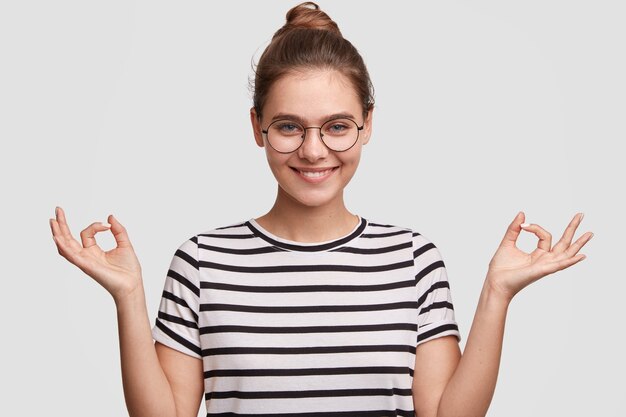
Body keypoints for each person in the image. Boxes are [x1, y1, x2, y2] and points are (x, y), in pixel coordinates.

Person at [49, 2, 593, 416]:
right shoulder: (201, 261)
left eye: (336, 126)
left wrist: (497, 292)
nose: (313, 151)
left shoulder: (412, 257)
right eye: (289, 126)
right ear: (258, 127)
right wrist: (128, 297)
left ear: (368, 125)